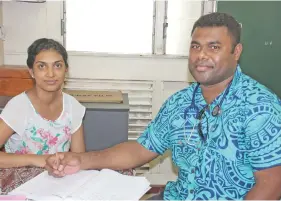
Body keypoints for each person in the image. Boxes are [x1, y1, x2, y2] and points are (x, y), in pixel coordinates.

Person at [45, 12, 281, 200]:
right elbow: (140, 149)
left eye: (214, 47)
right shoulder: (180, 103)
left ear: (236, 52)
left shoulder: (260, 107)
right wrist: (82, 160)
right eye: (196, 46)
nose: (201, 55)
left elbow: (272, 184)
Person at [0, 38, 86, 169]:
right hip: (21, 182)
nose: (51, 74)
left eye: (57, 65)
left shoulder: (73, 106)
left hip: (60, 180)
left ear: (66, 70)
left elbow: (80, 159)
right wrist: (38, 160)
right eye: (41, 66)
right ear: (31, 72)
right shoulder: (19, 106)